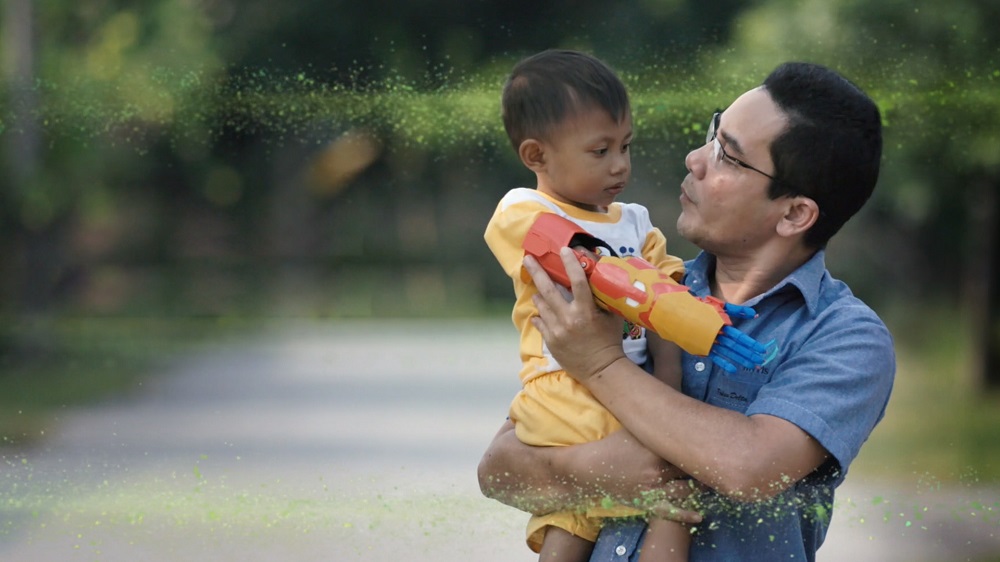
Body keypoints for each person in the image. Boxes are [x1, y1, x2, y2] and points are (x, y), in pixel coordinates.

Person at [478, 61, 895, 562]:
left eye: (729, 157)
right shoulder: (638, 282)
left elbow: (749, 465)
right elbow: (498, 470)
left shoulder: (844, 337)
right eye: (711, 135)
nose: (696, 159)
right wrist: (593, 472)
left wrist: (600, 363)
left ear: (793, 213)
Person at [484, 49, 699, 562]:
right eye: (600, 151)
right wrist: (635, 284)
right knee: (655, 491)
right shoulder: (524, 211)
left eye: (626, 146)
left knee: (612, 508)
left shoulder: (637, 222)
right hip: (565, 389)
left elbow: (669, 286)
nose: (620, 165)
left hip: (626, 381)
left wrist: (688, 313)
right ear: (537, 157)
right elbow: (571, 261)